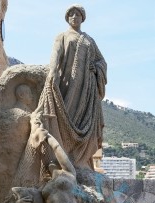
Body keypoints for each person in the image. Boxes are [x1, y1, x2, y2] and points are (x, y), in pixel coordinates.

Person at [33, 4, 107, 170]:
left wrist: (97, 68)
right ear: (67, 18)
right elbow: (55, 54)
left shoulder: (89, 40)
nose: (74, 16)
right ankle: (61, 156)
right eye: (71, 14)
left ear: (82, 18)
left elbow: (102, 61)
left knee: (82, 118)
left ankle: (79, 159)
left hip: (86, 88)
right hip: (68, 84)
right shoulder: (62, 36)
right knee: (65, 116)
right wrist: (52, 71)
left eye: (78, 14)